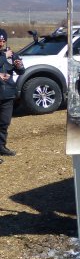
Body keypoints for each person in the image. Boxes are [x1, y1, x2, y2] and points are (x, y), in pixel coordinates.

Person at [0, 28, 25, 162]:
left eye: (3, 40)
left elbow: (21, 71)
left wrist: (18, 64)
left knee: (4, 123)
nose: (1, 42)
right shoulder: (5, 55)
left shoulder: (10, 54)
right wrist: (5, 57)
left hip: (8, 94)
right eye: (0, 40)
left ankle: (1, 147)